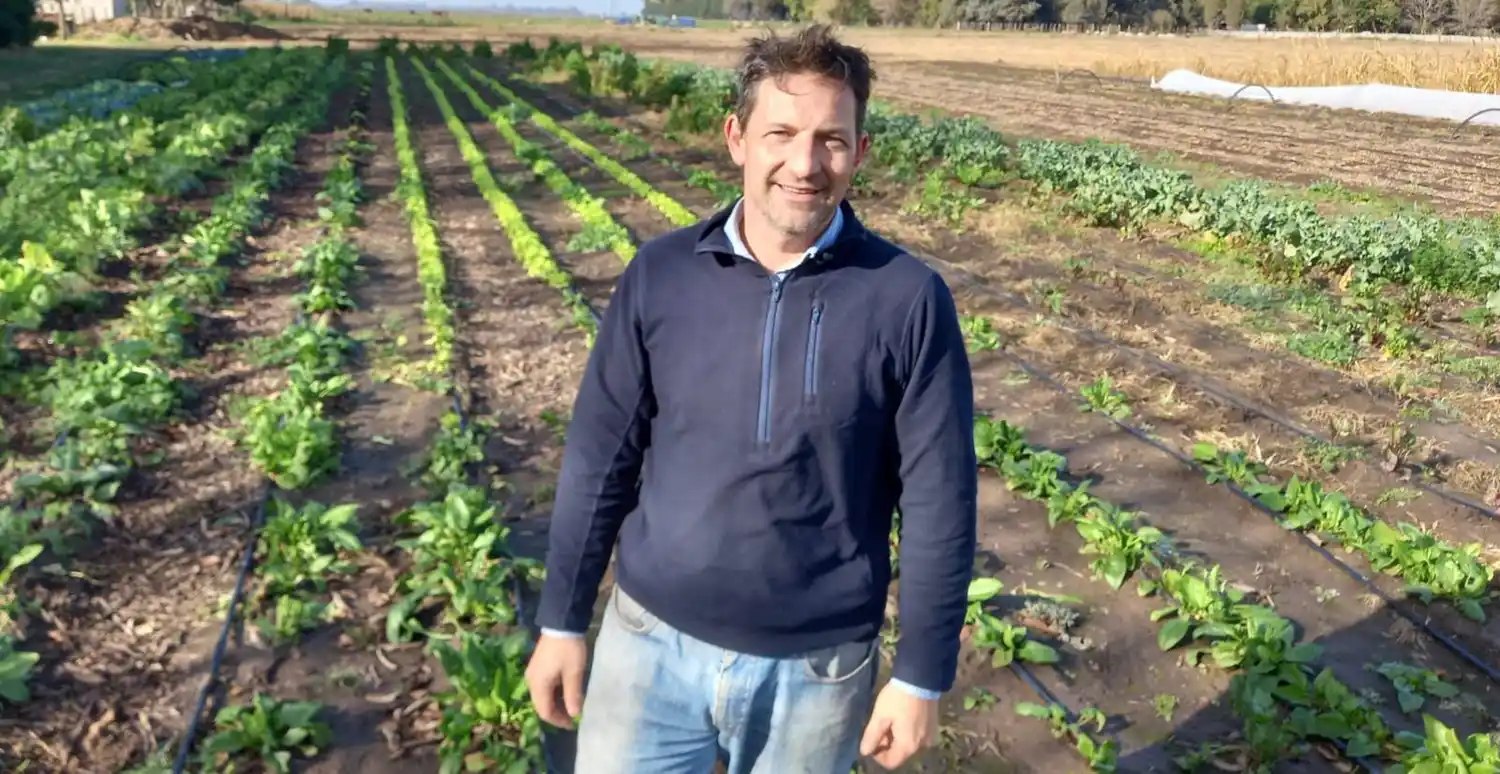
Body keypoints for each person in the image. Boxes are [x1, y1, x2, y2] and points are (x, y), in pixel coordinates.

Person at [526, 23, 978, 774]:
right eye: (782, 133)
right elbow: (600, 458)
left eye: (832, 139)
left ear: (861, 152)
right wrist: (562, 621)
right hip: (647, 646)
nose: (805, 163)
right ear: (737, 137)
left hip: (818, 670)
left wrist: (921, 673)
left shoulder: (907, 299)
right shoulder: (662, 274)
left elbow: (940, 499)